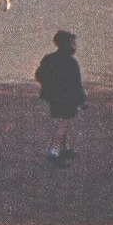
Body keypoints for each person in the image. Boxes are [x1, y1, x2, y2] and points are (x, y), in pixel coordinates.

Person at [35, 30, 86, 166]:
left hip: (54, 97)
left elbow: (39, 75)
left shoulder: (49, 59)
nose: (74, 46)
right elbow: (76, 84)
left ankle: (64, 148)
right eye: (72, 43)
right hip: (67, 98)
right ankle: (54, 152)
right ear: (66, 44)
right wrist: (82, 100)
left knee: (63, 122)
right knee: (63, 124)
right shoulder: (71, 63)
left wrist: (50, 87)